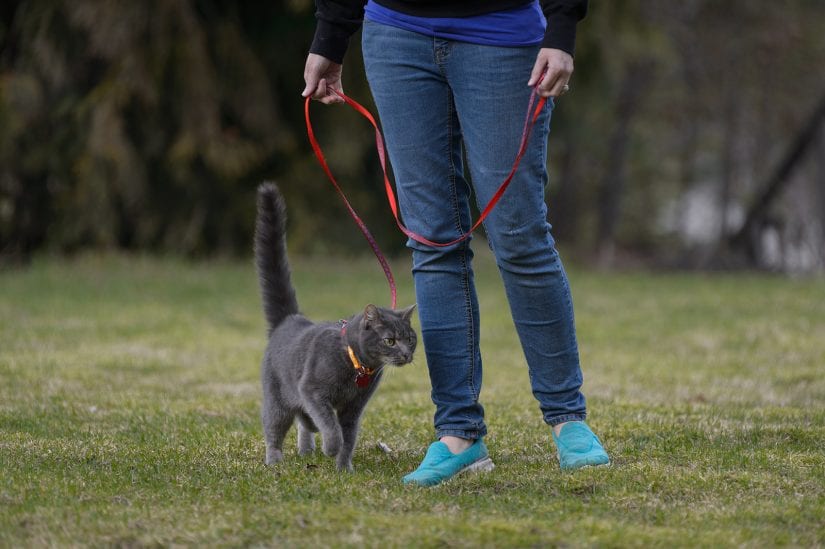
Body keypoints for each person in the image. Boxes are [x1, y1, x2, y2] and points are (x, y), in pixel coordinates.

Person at [302, 0, 609, 486]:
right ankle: (459, 434)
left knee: (519, 237)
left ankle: (568, 419)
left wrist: (562, 28)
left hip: (504, 38)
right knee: (433, 241)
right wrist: (330, 35)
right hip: (396, 35)